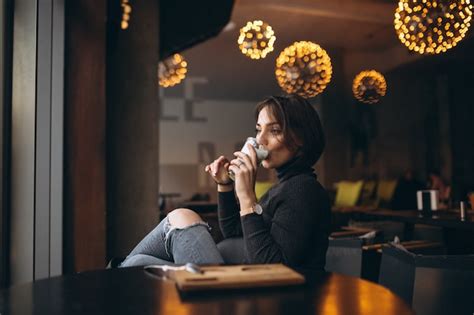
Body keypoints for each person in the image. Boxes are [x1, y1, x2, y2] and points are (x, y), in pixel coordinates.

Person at [120, 94, 330, 279]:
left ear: (300, 138)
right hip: (240, 280)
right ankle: (118, 271)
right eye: (258, 130)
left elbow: (274, 269)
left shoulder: (303, 190)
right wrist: (226, 186)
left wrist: (248, 198)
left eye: (274, 130)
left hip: (263, 295)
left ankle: (115, 275)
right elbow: (235, 233)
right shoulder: (284, 186)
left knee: (180, 217)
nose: (260, 140)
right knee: (137, 262)